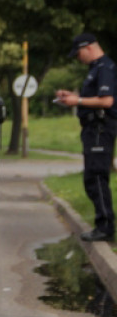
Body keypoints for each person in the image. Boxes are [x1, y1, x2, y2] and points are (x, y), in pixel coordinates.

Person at [55, 32, 117, 242]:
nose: (78, 58)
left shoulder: (105, 67)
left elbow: (107, 101)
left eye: (78, 53)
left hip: (100, 127)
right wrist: (73, 97)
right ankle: (103, 224)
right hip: (93, 128)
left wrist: (78, 101)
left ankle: (105, 227)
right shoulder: (95, 69)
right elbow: (93, 98)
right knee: (92, 177)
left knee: (96, 176)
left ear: (89, 47)